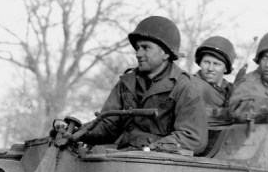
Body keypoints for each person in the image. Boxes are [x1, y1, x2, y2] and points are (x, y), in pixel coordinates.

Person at [76, 16, 208, 155]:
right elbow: (108, 126)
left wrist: (151, 149)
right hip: (124, 158)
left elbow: (192, 137)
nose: (138, 54)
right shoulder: (127, 83)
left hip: (159, 162)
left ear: (165, 53)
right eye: (137, 48)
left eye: (145, 48)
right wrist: (78, 132)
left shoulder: (185, 87)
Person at [193, 36, 236, 126]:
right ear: (200, 63)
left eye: (216, 64)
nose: (210, 68)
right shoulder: (189, 85)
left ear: (226, 68)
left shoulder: (231, 90)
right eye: (206, 62)